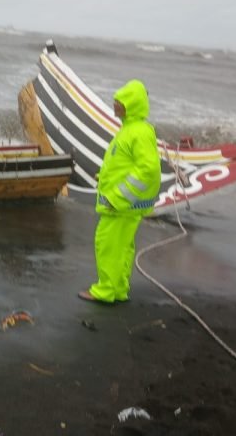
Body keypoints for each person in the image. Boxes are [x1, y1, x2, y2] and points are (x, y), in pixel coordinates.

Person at [78, 79, 161, 304]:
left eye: (119, 102)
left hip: (120, 206)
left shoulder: (138, 132)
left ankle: (105, 291)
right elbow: (125, 164)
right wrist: (104, 177)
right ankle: (119, 289)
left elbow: (148, 170)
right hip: (124, 206)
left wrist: (119, 197)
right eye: (115, 101)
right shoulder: (131, 129)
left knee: (107, 245)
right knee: (122, 247)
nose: (114, 105)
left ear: (131, 105)